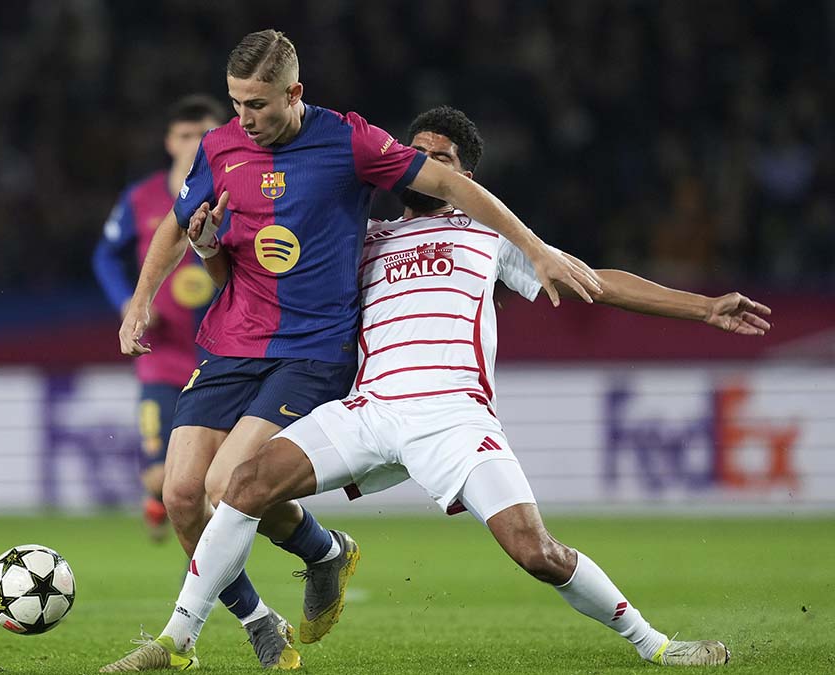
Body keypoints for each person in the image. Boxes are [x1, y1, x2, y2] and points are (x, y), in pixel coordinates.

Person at [103, 105, 770, 670]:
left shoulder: (491, 237)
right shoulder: (363, 239)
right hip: (367, 411)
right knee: (241, 483)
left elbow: (599, 280)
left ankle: (657, 645)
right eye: (413, 151)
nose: (418, 161)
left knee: (535, 551)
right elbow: (266, 285)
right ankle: (177, 637)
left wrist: (703, 306)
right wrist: (212, 249)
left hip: (454, 419)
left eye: (437, 155)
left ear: (464, 174)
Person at [111, 29, 600, 670]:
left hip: (314, 348)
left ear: (295, 92)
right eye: (236, 104)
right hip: (233, 338)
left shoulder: (351, 141)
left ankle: (185, 639)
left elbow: (456, 189)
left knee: (229, 482)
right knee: (180, 495)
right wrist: (143, 298)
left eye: (258, 104)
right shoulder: (220, 146)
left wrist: (534, 246)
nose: (244, 119)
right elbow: (179, 221)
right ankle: (283, 598)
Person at [93, 95, 227, 542]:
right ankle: (169, 506)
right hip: (162, 358)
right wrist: (127, 305)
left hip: (222, 356)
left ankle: (206, 560)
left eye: (202, 134)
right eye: (185, 136)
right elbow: (105, 256)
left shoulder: (235, 190)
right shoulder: (141, 197)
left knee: (214, 479)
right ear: (170, 142)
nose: (194, 144)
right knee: (158, 476)